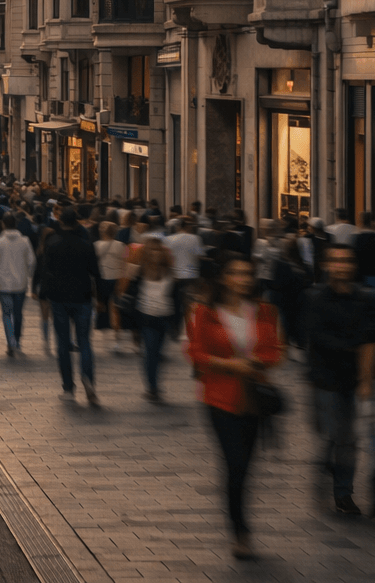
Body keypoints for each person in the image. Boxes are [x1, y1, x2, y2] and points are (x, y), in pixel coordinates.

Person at [186, 255, 284, 561]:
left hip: (253, 399)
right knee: (236, 463)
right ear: (223, 278)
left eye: (247, 273)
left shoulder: (266, 311)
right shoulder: (205, 312)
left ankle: (240, 524)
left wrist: (255, 362)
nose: (242, 278)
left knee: (246, 467)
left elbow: (275, 350)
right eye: (236, 273)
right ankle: (240, 531)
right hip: (218, 397)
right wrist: (229, 364)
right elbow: (195, 352)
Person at [306, 244, 375, 518]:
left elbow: (373, 338)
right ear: (326, 265)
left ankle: (342, 489)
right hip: (326, 379)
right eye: (336, 260)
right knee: (341, 436)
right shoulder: (315, 297)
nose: (341, 265)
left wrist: (367, 379)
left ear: (353, 266)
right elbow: (318, 337)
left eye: (346, 261)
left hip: (359, 377)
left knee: (353, 437)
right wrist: (353, 347)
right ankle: (338, 482)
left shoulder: (367, 298)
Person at [37, 206, 103, 406]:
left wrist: (43, 294)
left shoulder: (53, 244)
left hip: (59, 298)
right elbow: (96, 273)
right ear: (76, 222)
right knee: (84, 341)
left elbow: (46, 271)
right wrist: (100, 298)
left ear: (61, 223)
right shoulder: (86, 245)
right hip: (82, 296)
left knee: (63, 343)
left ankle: (68, 387)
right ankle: (88, 379)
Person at [126, 242, 177, 403]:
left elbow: (176, 297)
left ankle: (154, 383)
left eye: (158, 250)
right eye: (152, 250)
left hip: (164, 317)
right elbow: (130, 291)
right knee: (150, 352)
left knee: (157, 353)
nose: (155, 253)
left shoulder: (170, 272)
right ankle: (152, 387)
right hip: (146, 317)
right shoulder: (140, 271)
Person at [0, 213, 34, 357]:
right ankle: (18, 340)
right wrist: (28, 275)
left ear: (3, 225)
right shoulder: (25, 241)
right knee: (18, 313)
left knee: (7, 314)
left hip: (3, 284)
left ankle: (11, 342)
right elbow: (32, 261)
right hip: (20, 283)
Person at [94, 221, 127, 354]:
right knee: (116, 309)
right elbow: (124, 265)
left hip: (101, 279)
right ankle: (117, 337)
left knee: (102, 306)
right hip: (117, 279)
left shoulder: (96, 245)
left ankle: (106, 336)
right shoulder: (121, 246)